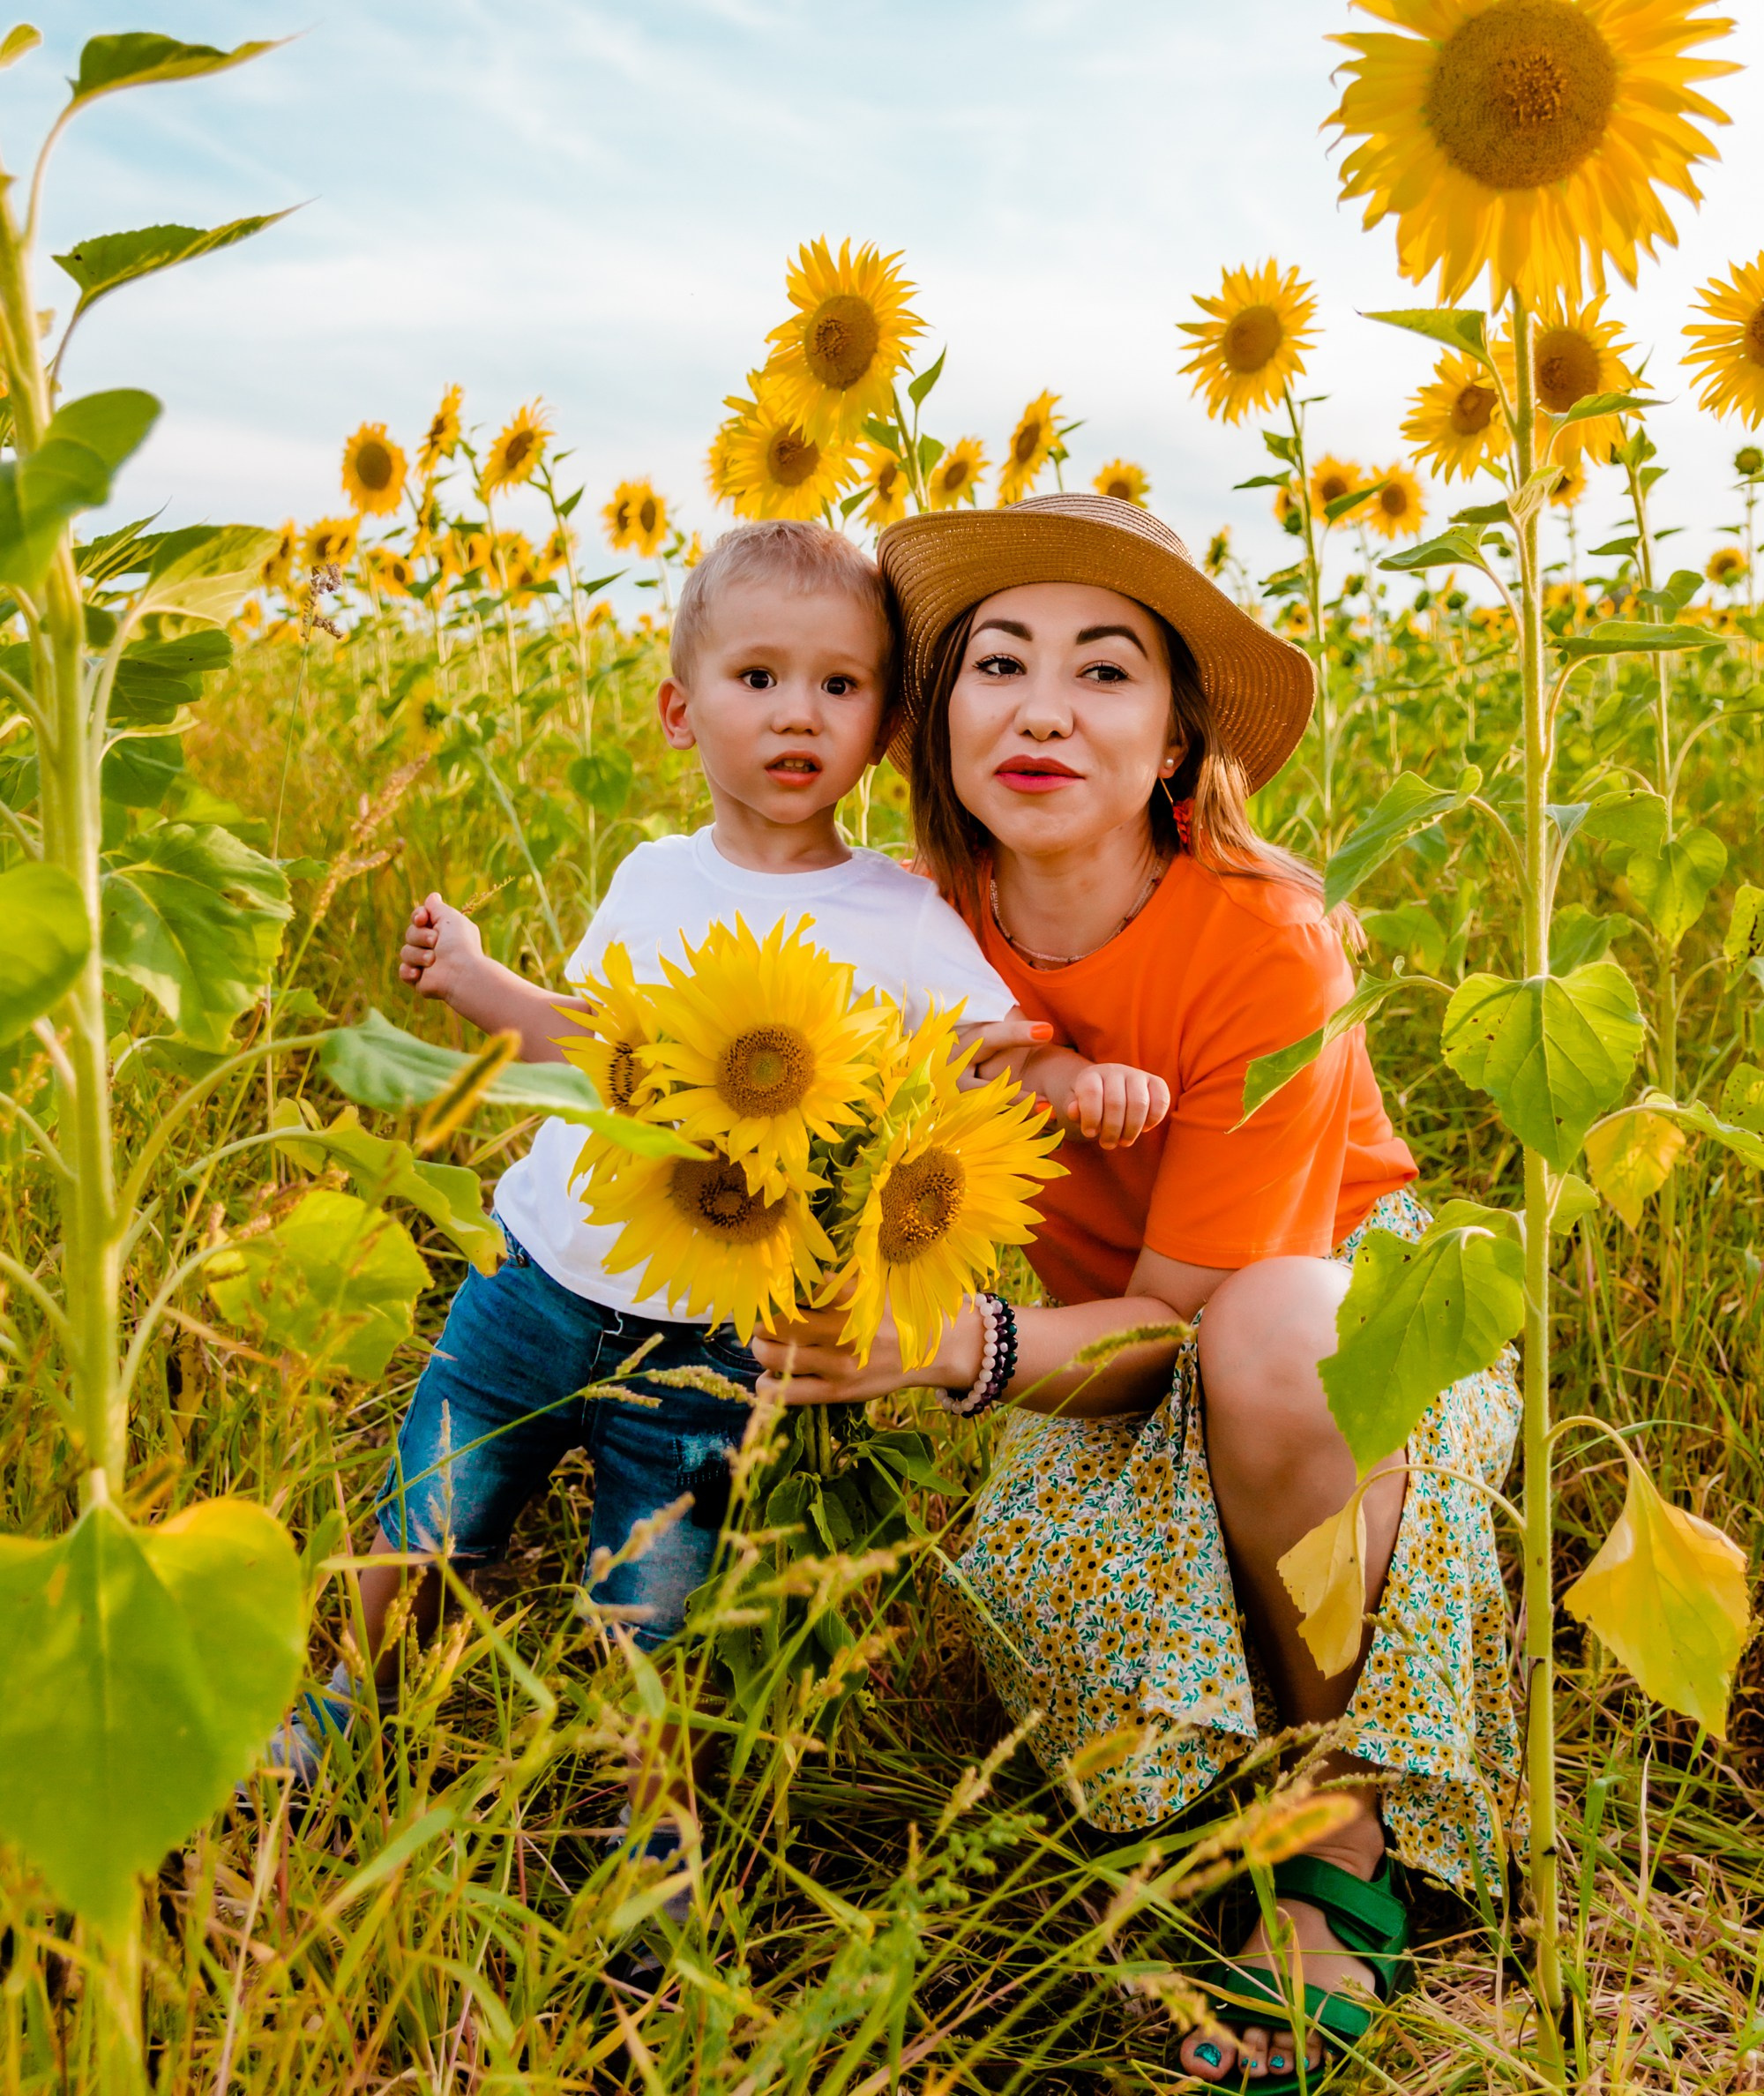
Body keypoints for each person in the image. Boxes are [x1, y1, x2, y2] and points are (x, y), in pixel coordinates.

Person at [753, 492, 1521, 2089]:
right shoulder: (911, 925)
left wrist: (955, 1347)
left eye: (1106, 673)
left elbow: (1187, 1319)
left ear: (1178, 743)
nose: (1042, 709)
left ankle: (1335, 1841)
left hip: (1317, 1342)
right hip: (1086, 1355)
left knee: (1271, 1338)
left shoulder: (1264, 938)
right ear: (938, 715)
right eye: (999, 664)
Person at [280, 520, 1126, 1860]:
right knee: (428, 1513)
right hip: (538, 1275)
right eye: (759, 680)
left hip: (717, 1327)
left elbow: (990, 1051)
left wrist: (1075, 1083)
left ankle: (649, 1828)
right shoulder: (651, 879)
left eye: (841, 686)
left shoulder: (900, 915)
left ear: (883, 724)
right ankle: (345, 1706)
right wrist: (484, 983)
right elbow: (596, 1053)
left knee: (657, 1593)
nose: (800, 713)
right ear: (681, 711)